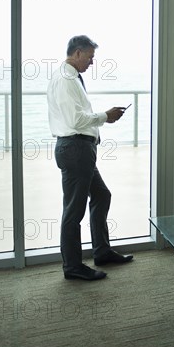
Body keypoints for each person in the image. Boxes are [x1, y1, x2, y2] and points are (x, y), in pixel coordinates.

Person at [47, 35, 133, 281]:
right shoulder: (65, 80)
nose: (92, 63)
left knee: (101, 195)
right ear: (76, 53)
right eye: (90, 57)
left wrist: (101, 120)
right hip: (75, 150)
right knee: (73, 211)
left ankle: (102, 252)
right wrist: (106, 116)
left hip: (80, 150)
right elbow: (76, 121)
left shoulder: (71, 78)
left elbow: (78, 116)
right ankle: (72, 267)